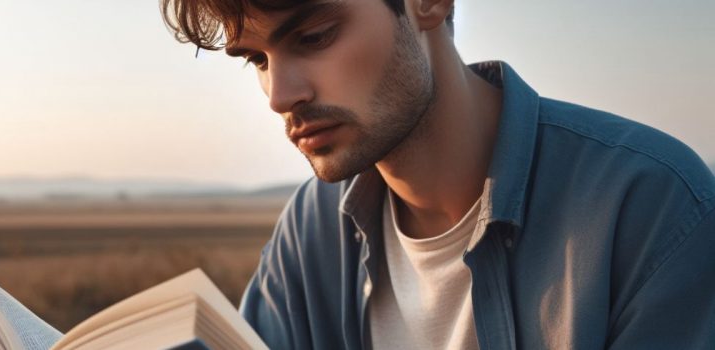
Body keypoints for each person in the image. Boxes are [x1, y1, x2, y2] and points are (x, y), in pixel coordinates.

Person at [160, 0, 715, 348]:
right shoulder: (312, 230)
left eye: (314, 37)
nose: (281, 96)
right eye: (257, 59)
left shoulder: (651, 207)